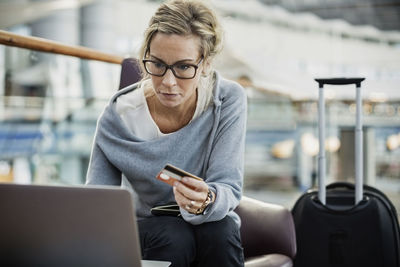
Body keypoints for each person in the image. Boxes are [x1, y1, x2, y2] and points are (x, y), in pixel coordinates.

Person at [86, 0, 247, 266]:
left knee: (220, 230)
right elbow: (99, 203)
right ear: (145, 55)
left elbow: (228, 185)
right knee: (173, 234)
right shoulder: (119, 117)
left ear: (205, 64)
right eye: (157, 64)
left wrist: (207, 199)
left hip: (210, 222)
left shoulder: (227, 100)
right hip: (148, 228)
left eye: (184, 67)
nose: (168, 82)